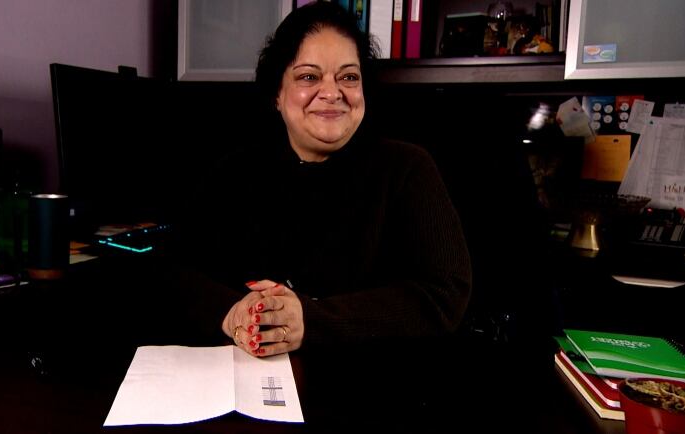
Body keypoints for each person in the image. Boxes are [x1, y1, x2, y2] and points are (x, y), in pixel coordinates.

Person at [178, 1, 471, 357]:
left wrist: (312, 319)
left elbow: (444, 296)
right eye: (308, 76)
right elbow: (173, 273)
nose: (332, 93)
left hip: (373, 389)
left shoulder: (407, 168)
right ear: (277, 93)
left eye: (349, 76)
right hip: (246, 384)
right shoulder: (234, 172)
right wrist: (230, 313)